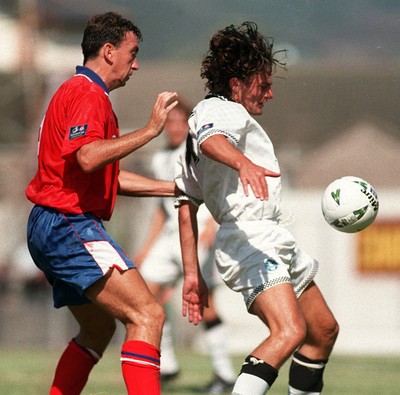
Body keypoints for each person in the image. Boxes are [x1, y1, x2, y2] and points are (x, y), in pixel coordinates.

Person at [175, 22, 339, 395]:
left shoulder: (206, 126)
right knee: (290, 331)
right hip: (248, 238)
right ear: (236, 85)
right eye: (262, 85)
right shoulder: (217, 112)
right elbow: (214, 139)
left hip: (268, 237)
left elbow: (186, 203)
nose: (269, 93)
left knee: (322, 331)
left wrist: (191, 275)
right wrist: (242, 163)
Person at [25, 12, 179, 395]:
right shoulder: (88, 95)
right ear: (109, 51)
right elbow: (90, 158)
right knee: (148, 314)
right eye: (133, 52)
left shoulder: (76, 91)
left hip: (48, 224)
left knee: (98, 328)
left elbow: (103, 175)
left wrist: (173, 188)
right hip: (68, 224)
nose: (136, 63)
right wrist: (150, 131)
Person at [135, 99, 236, 393]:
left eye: (181, 121)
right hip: (169, 237)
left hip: (196, 231)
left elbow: (222, 188)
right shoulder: (158, 159)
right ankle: (167, 365)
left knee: (205, 305)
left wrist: (211, 225)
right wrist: (146, 247)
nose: (175, 127)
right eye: (170, 122)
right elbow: (159, 209)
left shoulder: (200, 149)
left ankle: (224, 374)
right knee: (144, 298)